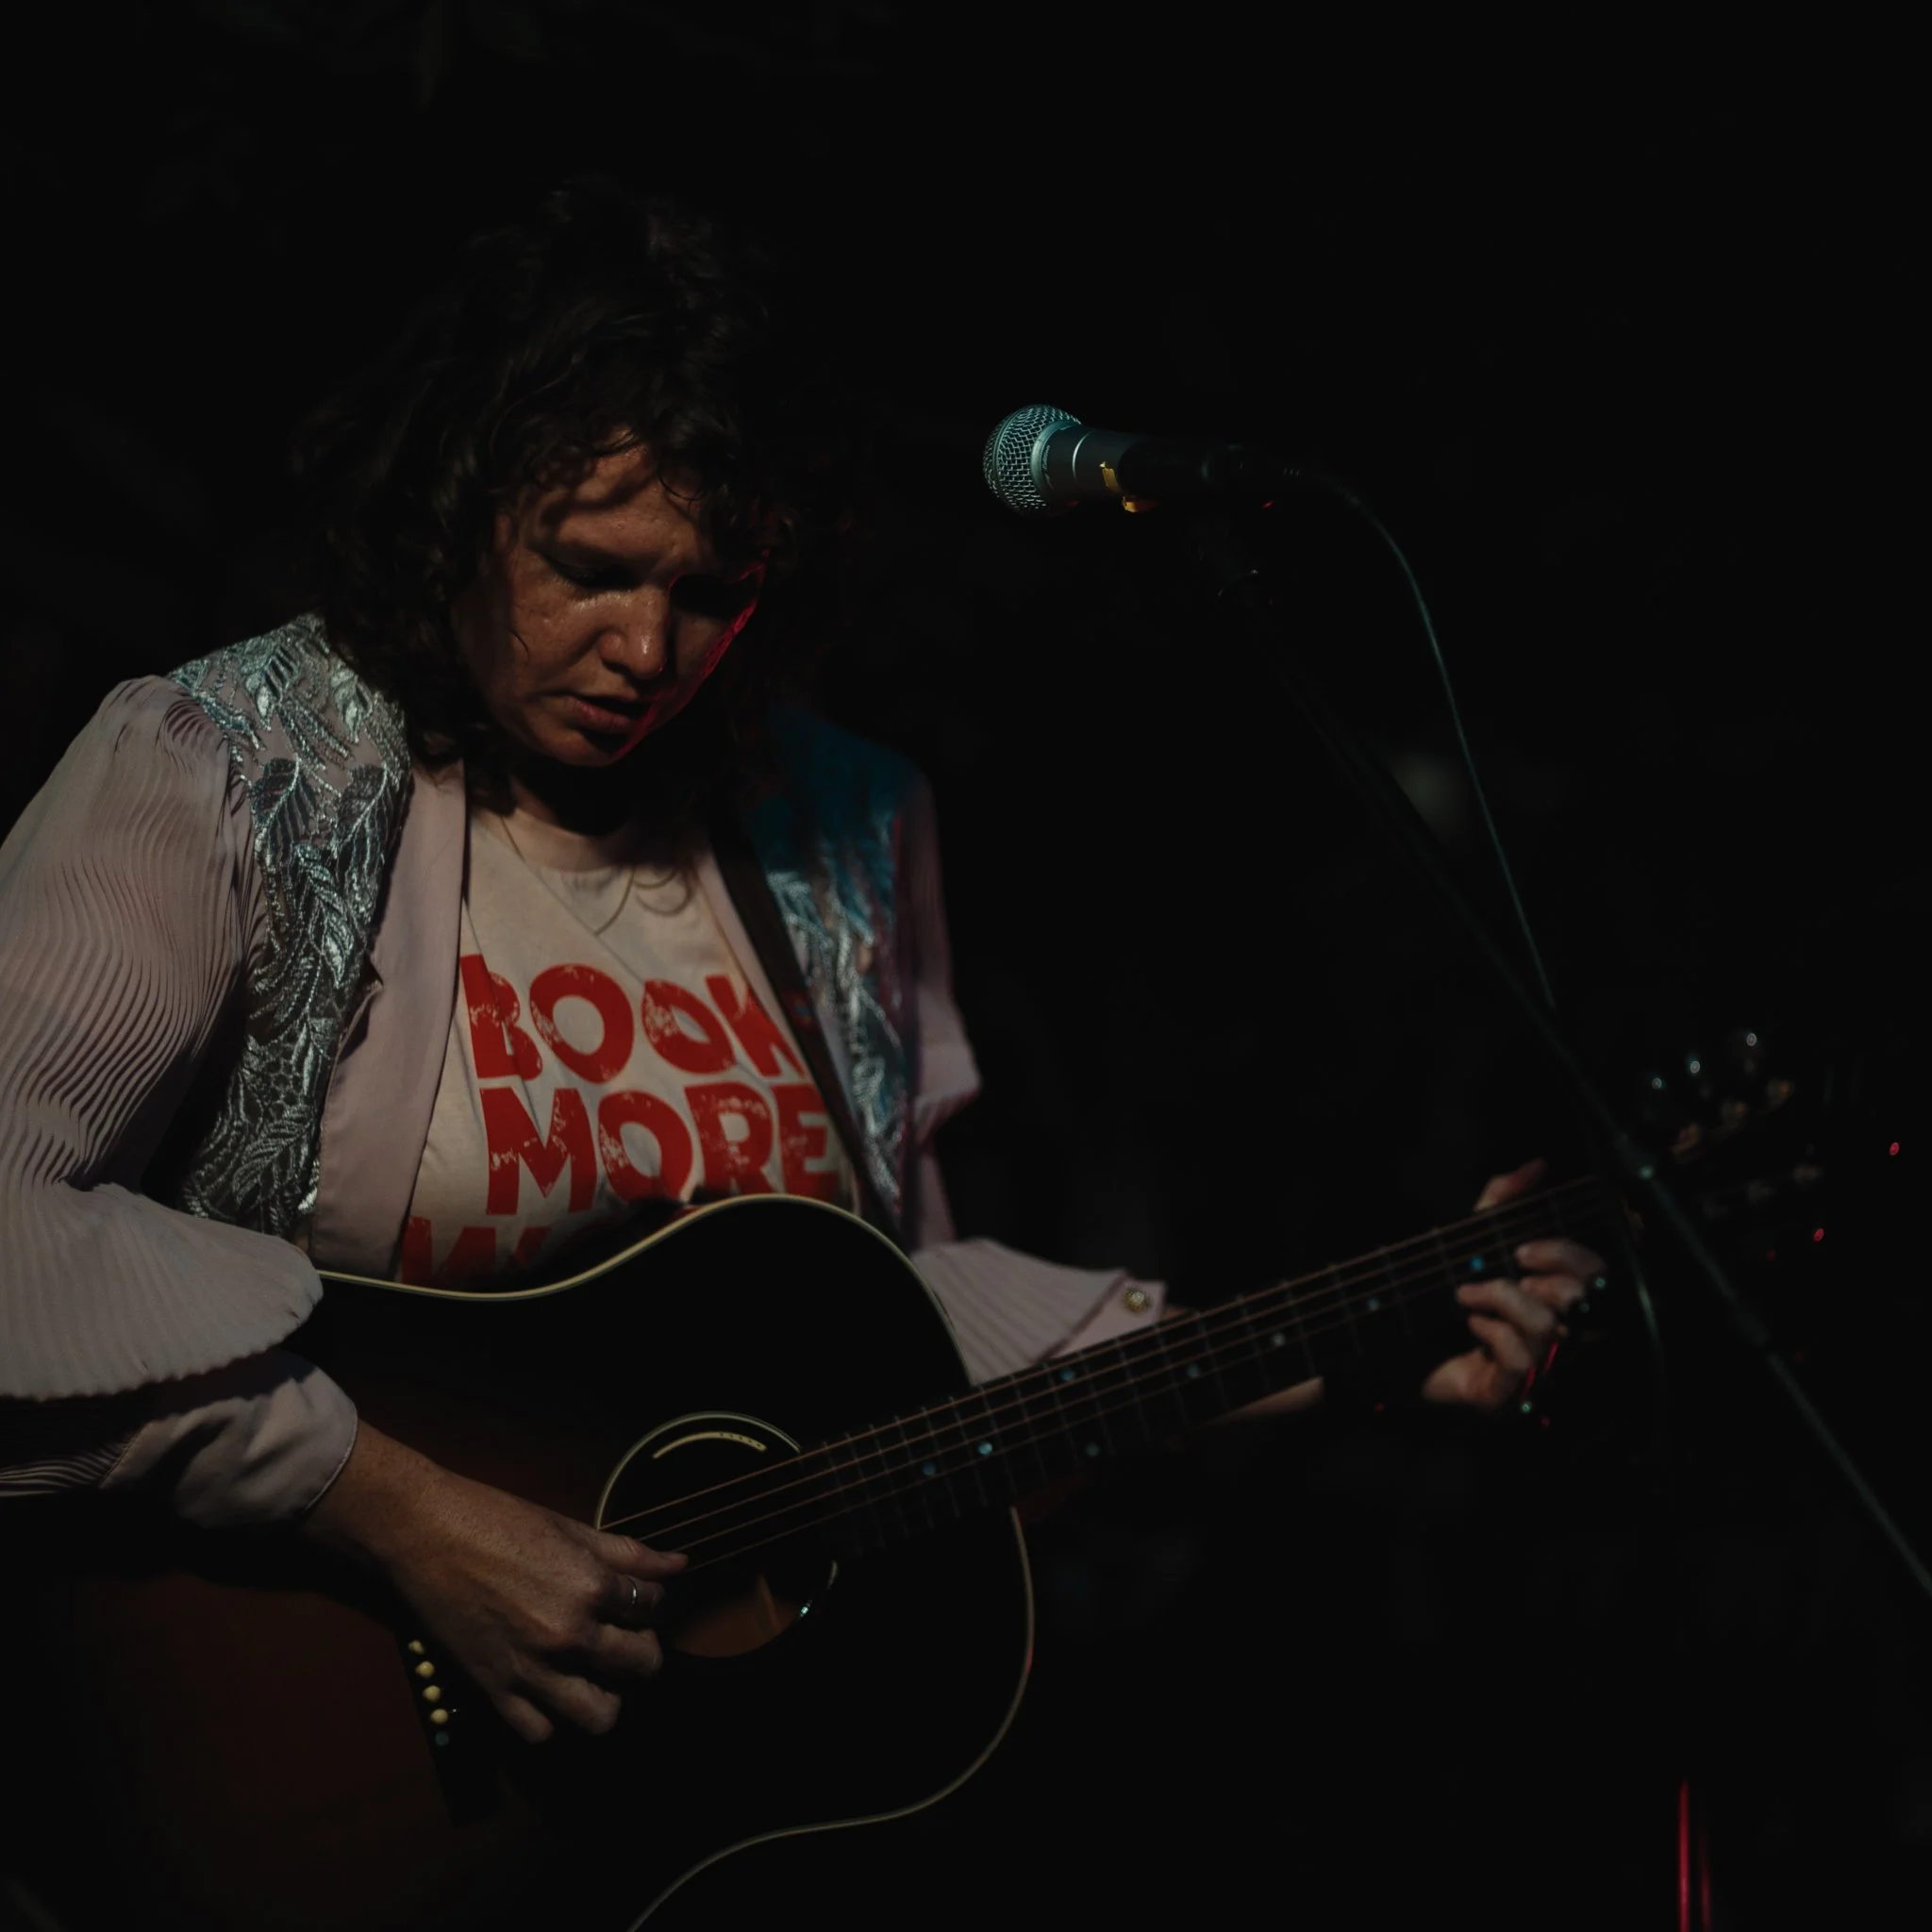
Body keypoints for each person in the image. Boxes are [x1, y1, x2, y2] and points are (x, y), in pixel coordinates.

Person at [0, 179, 1600, 1821]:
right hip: (271, 1735)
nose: (647, 647)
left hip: (673, 1799)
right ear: (454, 506)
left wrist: (1355, 1352)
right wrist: (390, 1506)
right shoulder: (230, 770)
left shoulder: (840, 826)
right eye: (591, 568)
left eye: (712, 592)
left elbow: (896, 1349)